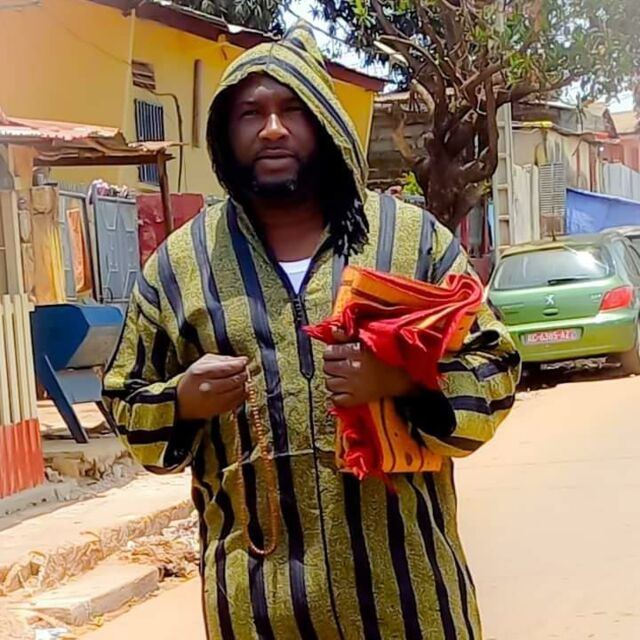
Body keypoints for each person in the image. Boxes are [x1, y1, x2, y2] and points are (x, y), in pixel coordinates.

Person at [103, 23, 520, 640]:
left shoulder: (409, 242)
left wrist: (403, 381)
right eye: (251, 113)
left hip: (409, 606)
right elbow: (124, 398)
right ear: (224, 133)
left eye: (292, 110)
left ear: (324, 121)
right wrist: (181, 401)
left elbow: (497, 366)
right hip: (257, 612)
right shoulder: (180, 269)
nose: (272, 128)